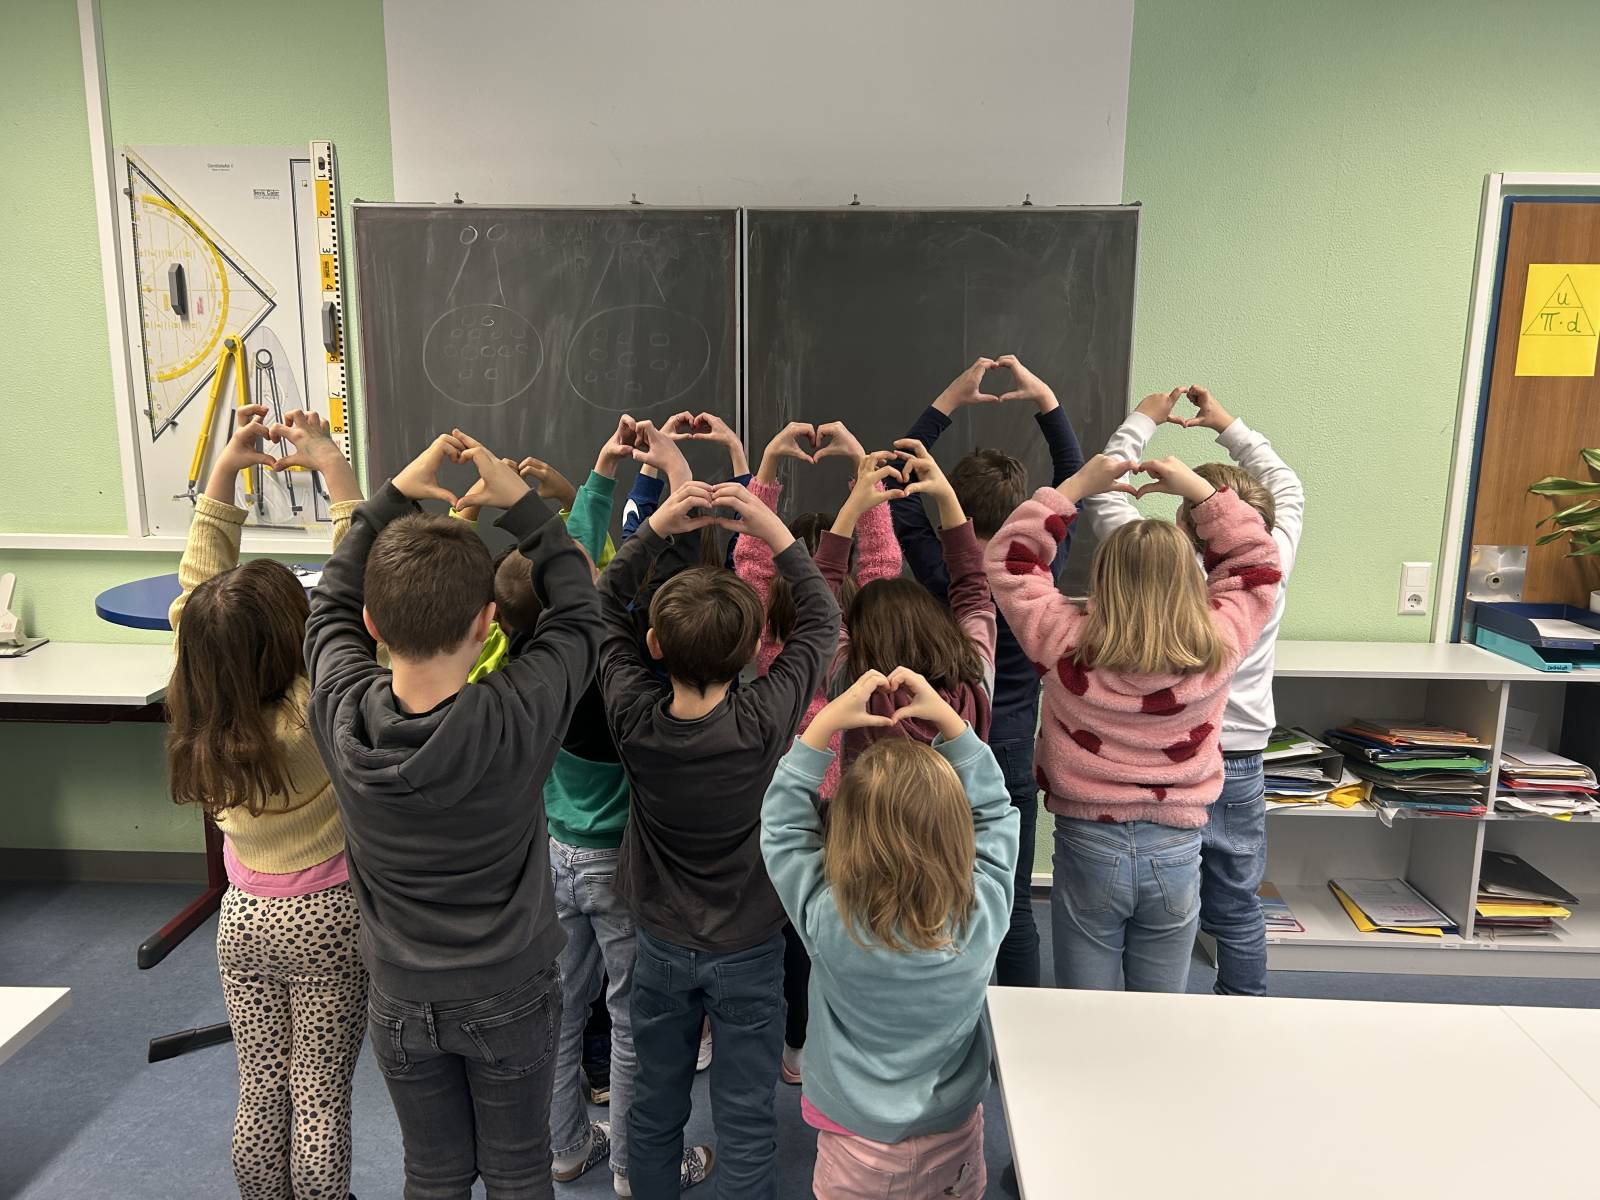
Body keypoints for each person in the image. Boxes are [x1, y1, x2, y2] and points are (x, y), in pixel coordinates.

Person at [304, 429, 600, 1200]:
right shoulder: (519, 713)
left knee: (432, 1172)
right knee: (518, 1170)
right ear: (487, 624)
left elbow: (328, 604)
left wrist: (391, 497)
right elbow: (581, 610)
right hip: (511, 990)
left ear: (374, 625)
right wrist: (525, 506)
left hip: (400, 991)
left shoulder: (340, 710)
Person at [598, 437, 841, 1200]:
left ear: (653, 644)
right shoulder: (766, 717)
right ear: (746, 656)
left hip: (660, 942)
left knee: (656, 1102)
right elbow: (822, 621)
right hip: (748, 946)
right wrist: (772, 532)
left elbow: (599, 608)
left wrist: (653, 531)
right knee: (743, 1112)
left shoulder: (631, 712)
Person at [983, 451, 1281, 993]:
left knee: (1086, 1009)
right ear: (1190, 581)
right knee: (1158, 1015)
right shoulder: (1217, 645)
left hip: (1087, 841)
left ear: (1104, 576)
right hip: (1178, 845)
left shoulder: (1065, 642)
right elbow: (1256, 562)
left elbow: (1009, 561)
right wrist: (1201, 493)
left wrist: (1076, 486)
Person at [166, 406, 365, 1200]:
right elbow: (350, 592)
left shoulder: (198, 703)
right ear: (296, 637)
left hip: (244, 916)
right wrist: (335, 471)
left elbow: (196, 597)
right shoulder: (317, 705)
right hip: (328, 917)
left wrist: (223, 475)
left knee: (261, 1087)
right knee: (319, 1093)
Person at [761, 667, 1018, 1200]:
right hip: (953, 1135)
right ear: (958, 831)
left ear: (844, 832)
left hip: (855, 1146)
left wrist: (821, 726)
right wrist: (953, 724)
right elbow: (996, 812)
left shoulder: (827, 916)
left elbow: (783, 828)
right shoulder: (984, 909)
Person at [1080, 385, 1304, 997]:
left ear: (1185, 521)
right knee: (1237, 903)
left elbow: (1103, 493)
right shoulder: (1268, 566)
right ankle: (1241, 1008)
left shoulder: (1159, 574)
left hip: (1163, 762)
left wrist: (1142, 421)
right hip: (1238, 757)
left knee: (1142, 899)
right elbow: (1287, 486)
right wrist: (1227, 425)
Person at [892, 355, 1084, 988]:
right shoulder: (1036, 571)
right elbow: (1073, 478)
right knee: (1014, 909)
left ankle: (946, 1014)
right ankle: (1019, 1025)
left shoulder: (938, 568)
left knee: (937, 902)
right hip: (1009, 758)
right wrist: (1045, 399)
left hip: (942, 753)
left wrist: (948, 400)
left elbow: (898, 475)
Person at [733, 419, 902, 1085]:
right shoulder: (866, 624)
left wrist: (767, 469)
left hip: (787, 786)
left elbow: (750, 566)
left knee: (786, 917)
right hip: (853, 792)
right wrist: (865, 473)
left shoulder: (767, 630)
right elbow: (882, 569)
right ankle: (837, 1035)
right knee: (846, 912)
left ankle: (790, 1040)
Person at [843, 434, 995, 761]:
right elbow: (973, 592)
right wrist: (947, 496)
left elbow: (819, 610)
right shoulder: (973, 687)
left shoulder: (854, 691)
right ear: (939, 625)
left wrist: (852, 508)